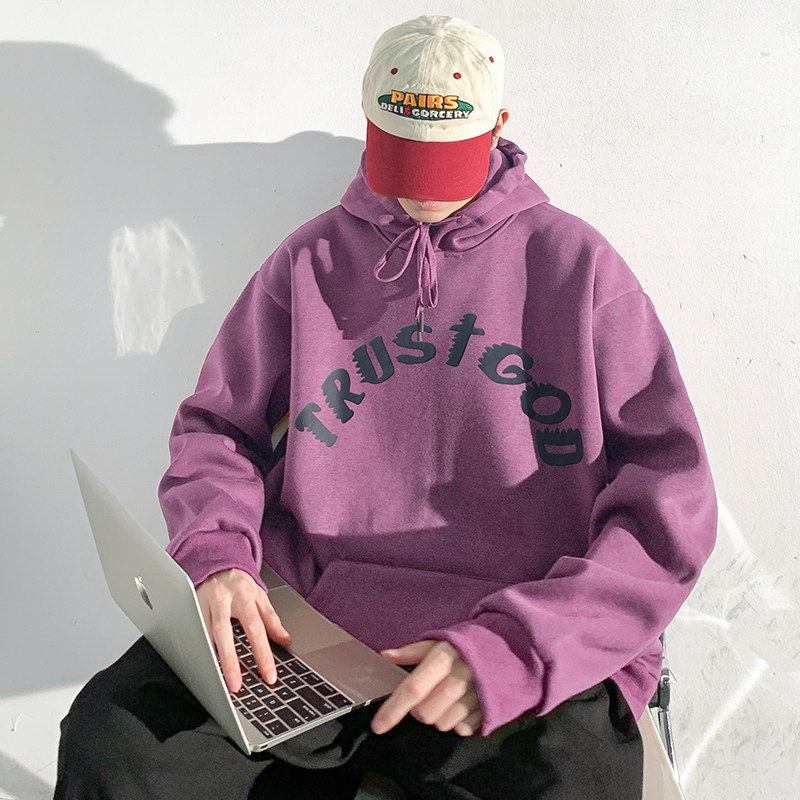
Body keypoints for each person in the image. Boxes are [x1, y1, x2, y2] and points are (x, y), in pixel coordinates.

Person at [55, 14, 717, 800]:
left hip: (507, 646)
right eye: (401, 156)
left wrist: (519, 647)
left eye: (446, 162)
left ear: (498, 127)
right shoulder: (309, 262)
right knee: (114, 737)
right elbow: (218, 430)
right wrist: (219, 557)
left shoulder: (580, 270)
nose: (422, 189)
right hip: (311, 635)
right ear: (368, 123)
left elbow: (670, 506)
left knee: (574, 780)